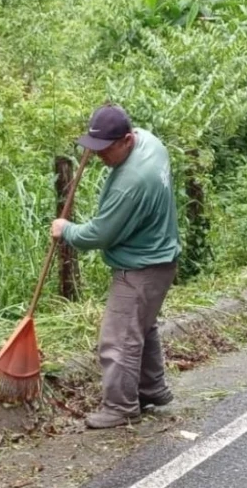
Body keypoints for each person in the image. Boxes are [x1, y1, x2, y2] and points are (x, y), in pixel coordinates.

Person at [51, 103, 181, 429]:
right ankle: (152, 389)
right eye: (94, 148)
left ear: (126, 140)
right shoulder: (150, 142)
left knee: (118, 339)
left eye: (105, 149)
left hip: (141, 267)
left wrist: (66, 230)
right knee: (141, 328)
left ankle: (120, 407)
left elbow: (100, 234)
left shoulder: (132, 182)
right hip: (161, 260)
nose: (99, 156)